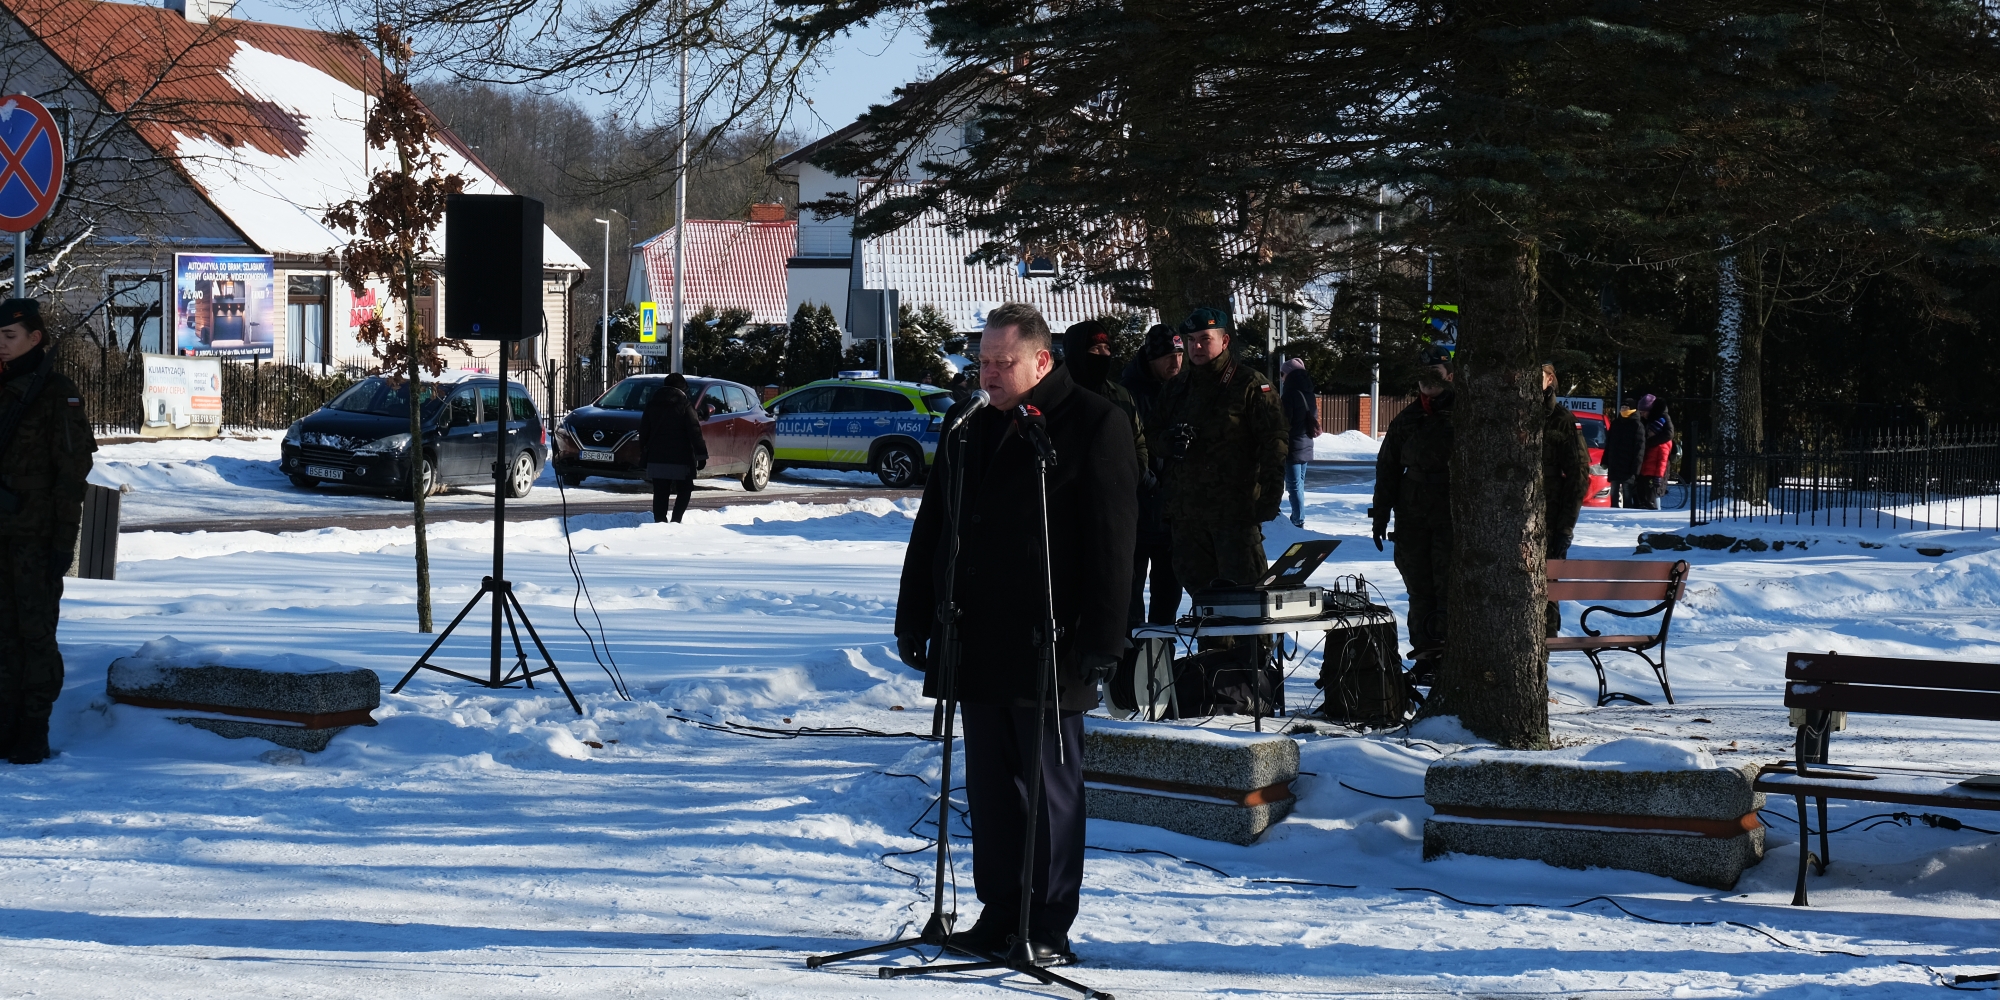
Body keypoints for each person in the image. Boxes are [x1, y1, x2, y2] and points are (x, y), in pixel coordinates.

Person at [894, 302, 1136, 965]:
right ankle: (1000, 911)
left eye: (1004, 363)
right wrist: (914, 612)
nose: (990, 376)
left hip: (1051, 642)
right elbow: (936, 527)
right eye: (983, 363)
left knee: (1049, 790)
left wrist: (1104, 641)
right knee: (992, 789)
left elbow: (1114, 542)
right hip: (976, 637)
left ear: (1042, 360)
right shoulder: (967, 426)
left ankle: (1047, 923)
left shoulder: (1093, 423)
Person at [0, 298, 96, 764]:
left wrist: (63, 541)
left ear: (35, 339)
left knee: (34, 633)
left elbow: (71, 473)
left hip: (35, 537)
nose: (0, 346)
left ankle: (33, 727)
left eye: (9, 337)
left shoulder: (57, 392)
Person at [1149, 307, 1287, 597]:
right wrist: (1169, 442)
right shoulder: (1177, 388)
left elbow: (1274, 444)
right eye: (1191, 340)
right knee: (1206, 609)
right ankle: (1215, 646)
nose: (1196, 347)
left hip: (1234, 517)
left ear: (1224, 342)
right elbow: (1150, 435)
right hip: (1188, 520)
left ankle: (1249, 646)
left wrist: (1269, 498)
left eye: (1205, 339)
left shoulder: (1250, 385)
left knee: (1246, 602)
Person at [1372, 342, 1455, 662]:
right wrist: (1380, 516)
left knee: (1448, 589)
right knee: (1419, 589)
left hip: (1451, 514)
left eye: (1434, 373)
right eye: (1422, 375)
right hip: (1412, 515)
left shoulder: (1468, 415)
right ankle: (1424, 654)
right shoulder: (1407, 418)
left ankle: (1449, 657)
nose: (1428, 380)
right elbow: (1387, 468)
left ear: (1449, 375)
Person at [1120, 325, 1183, 625]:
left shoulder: (1183, 389)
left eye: (1180, 354)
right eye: (1169, 356)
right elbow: (1127, 449)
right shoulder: (1127, 393)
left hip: (1172, 516)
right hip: (1137, 511)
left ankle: (1165, 665)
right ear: (1151, 357)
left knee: (1167, 602)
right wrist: (1149, 482)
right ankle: (1132, 669)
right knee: (1130, 602)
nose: (1176, 362)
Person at [1541, 364, 1592, 636]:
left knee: (1546, 588)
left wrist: (1565, 528)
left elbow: (1578, 476)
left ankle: (1545, 647)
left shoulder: (1562, 420)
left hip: (1548, 519)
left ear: (1550, 380)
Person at [639, 372, 706, 523]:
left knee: (660, 492)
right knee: (685, 489)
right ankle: (676, 520)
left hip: (657, 456)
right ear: (683, 387)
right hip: (681, 458)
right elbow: (695, 431)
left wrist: (643, 450)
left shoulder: (652, 404)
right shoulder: (684, 405)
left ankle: (660, 521)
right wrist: (701, 455)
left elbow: (643, 431)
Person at [1279, 358, 1319, 528]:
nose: (1281, 378)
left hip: (1293, 445)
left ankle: (1298, 519)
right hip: (1306, 443)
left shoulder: (1290, 394)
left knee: (1294, 486)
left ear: (1288, 374)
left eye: (1282, 374)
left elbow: (1285, 421)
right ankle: (1298, 517)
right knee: (1299, 484)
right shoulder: (1308, 392)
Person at [1634, 394, 1675, 509]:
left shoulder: (1662, 416)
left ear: (1649, 410)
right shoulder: (1648, 418)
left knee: (1651, 492)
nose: (1641, 415)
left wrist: (1649, 442)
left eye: (1643, 412)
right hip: (1647, 464)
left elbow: (1669, 434)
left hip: (1655, 463)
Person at [1604, 399, 1645, 508]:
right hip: (1615, 464)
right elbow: (1609, 443)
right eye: (1622, 408)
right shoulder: (1616, 423)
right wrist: (1605, 460)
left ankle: (1626, 514)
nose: (1623, 410)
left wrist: (1636, 468)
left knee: (1627, 491)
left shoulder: (1637, 425)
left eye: (1625, 408)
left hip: (1628, 465)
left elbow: (1639, 449)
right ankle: (1613, 512)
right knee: (1614, 491)